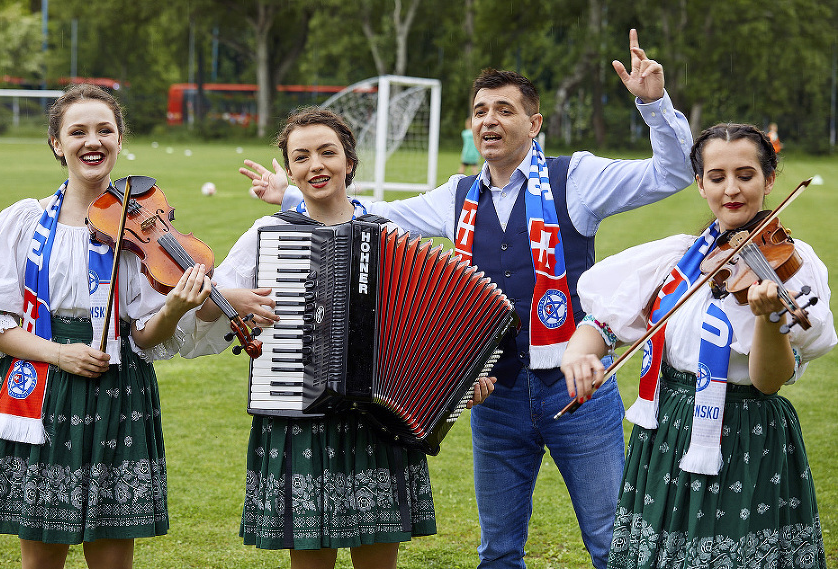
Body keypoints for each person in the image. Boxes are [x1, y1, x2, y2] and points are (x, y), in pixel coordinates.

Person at [242, 29, 696, 569]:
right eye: (480, 111)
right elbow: (376, 214)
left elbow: (670, 173)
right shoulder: (457, 196)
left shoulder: (575, 176)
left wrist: (653, 104)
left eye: (504, 110)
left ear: (535, 124)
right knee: (498, 550)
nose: (489, 121)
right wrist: (296, 192)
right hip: (494, 396)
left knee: (611, 540)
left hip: (576, 389)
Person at [181, 107, 496, 569]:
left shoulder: (389, 237)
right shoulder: (268, 234)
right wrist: (236, 299)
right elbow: (206, 308)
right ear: (290, 171)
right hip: (297, 416)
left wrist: (462, 382)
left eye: (328, 153)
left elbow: (425, 327)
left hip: (377, 422)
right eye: (302, 157)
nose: (316, 166)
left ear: (349, 162)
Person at [0, 84, 212, 569]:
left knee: (112, 554)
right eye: (78, 131)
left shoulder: (143, 231)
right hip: (40, 384)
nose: (92, 141)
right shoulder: (24, 221)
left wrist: (174, 309)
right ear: (57, 144)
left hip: (118, 388)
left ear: (119, 140)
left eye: (104, 130)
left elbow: (143, 336)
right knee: (42, 556)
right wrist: (58, 354)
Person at [561, 123, 836, 568]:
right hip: (668, 429)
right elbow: (604, 323)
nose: (732, 189)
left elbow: (769, 382)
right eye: (717, 177)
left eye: (746, 176)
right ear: (700, 184)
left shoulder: (792, 268)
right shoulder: (677, 257)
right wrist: (579, 351)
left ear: (769, 181)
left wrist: (769, 320)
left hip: (747, 433)